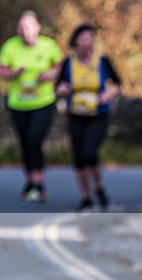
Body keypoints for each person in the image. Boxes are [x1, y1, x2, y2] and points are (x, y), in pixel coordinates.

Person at [56, 24, 121, 211]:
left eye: (90, 38)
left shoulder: (102, 60)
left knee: (89, 153)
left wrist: (108, 95)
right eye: (83, 38)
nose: (87, 42)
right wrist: (62, 90)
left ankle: (99, 187)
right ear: (76, 41)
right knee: (78, 157)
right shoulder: (68, 62)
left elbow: (117, 83)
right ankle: (86, 197)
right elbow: (58, 86)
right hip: (75, 114)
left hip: (97, 114)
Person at [0, 11, 62, 202]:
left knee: (35, 139)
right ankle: (31, 183)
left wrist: (50, 75)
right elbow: (3, 70)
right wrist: (13, 74)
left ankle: (39, 183)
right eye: (21, 27)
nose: (24, 31)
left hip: (42, 101)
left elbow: (59, 66)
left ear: (37, 28)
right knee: (26, 143)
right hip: (18, 103)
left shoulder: (48, 45)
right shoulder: (10, 46)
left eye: (27, 27)